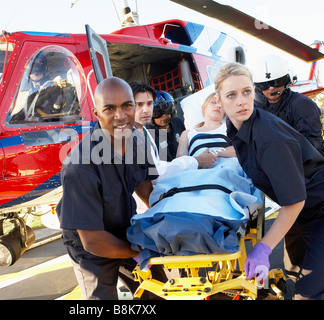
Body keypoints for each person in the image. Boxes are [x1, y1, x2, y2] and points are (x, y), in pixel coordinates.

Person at [216, 62, 324, 300]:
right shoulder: (237, 126)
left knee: (309, 295)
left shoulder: (269, 137)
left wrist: (263, 247)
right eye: (231, 95)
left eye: (246, 92)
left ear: (253, 93)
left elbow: (294, 201)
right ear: (219, 101)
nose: (241, 101)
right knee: (293, 273)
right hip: (303, 213)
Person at [56, 77, 165, 300]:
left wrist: (161, 218)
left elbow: (143, 182)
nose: (120, 115)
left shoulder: (137, 140)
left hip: (123, 227)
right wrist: (139, 251)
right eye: (109, 108)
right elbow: (93, 240)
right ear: (97, 114)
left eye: (126, 105)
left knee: (158, 289)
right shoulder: (80, 167)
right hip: (89, 241)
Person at [253, 54, 324, 162]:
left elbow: (310, 146)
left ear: (287, 80)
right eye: (264, 84)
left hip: (314, 170)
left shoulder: (302, 105)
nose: (271, 87)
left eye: (277, 82)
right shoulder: (257, 107)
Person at [176, 92, 235, 166]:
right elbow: (180, 161)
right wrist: (198, 162)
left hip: (229, 168)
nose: (218, 106)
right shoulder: (187, 134)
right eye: (213, 102)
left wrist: (216, 152)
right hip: (199, 173)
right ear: (204, 108)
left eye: (222, 105)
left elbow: (241, 149)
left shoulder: (229, 126)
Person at [146, 90, 185, 162]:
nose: (164, 115)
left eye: (167, 109)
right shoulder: (148, 136)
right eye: (157, 112)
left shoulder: (178, 123)